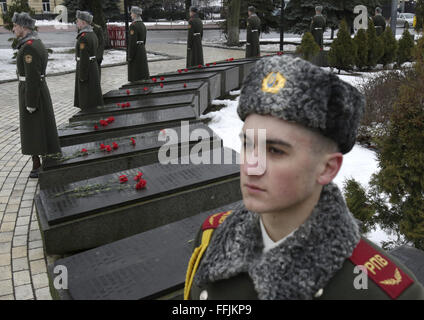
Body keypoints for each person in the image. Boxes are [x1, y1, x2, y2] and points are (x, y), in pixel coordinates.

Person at [184, 55, 424, 300]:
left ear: (327, 169)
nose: (251, 167)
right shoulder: (213, 237)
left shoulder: (380, 292)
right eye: (247, 145)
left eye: (275, 151)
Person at [12, 12, 61, 179]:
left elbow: (32, 76)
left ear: (24, 27)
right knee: (42, 125)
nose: (13, 29)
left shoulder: (29, 47)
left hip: (32, 91)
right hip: (38, 89)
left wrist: (30, 101)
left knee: (33, 128)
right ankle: (46, 159)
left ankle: (37, 165)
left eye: (16, 26)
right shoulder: (35, 43)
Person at [74, 10, 104, 111]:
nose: (76, 23)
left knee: (86, 97)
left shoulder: (83, 37)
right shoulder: (92, 34)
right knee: (92, 95)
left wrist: (82, 76)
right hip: (93, 66)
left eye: (77, 21)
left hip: (87, 68)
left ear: (83, 22)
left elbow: (84, 58)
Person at [128, 6, 150, 82]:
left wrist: (130, 56)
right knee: (142, 72)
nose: (130, 15)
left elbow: (132, 43)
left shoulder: (133, 25)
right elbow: (144, 39)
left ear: (135, 14)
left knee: (136, 75)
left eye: (131, 13)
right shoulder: (142, 25)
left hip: (136, 51)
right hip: (142, 50)